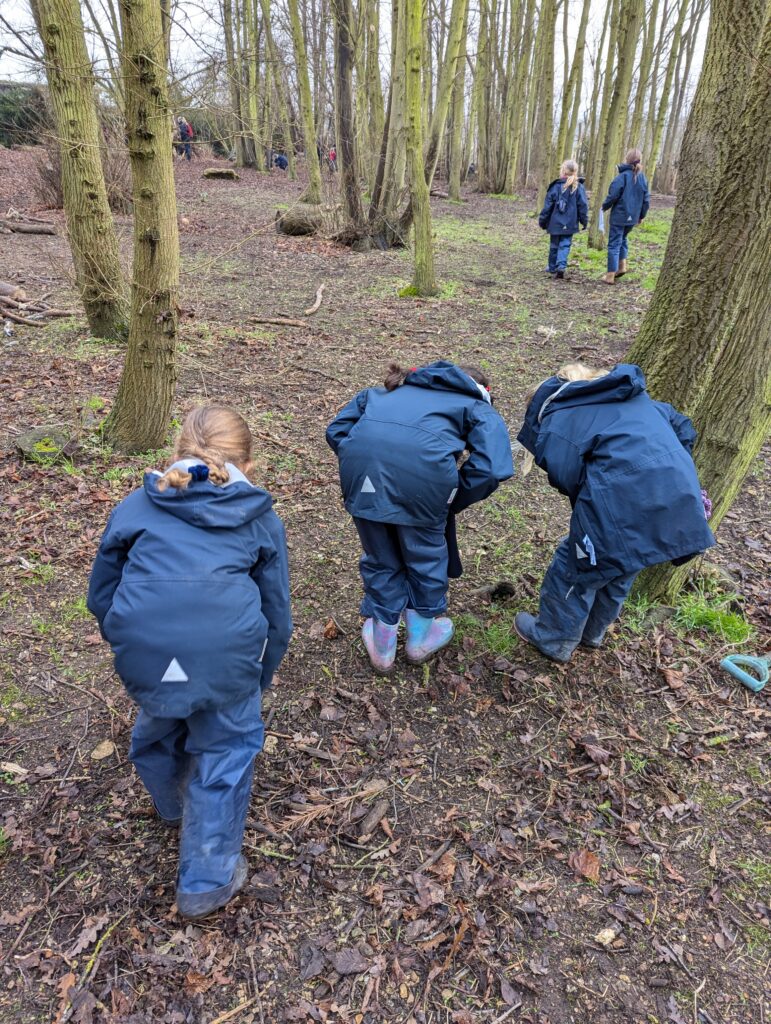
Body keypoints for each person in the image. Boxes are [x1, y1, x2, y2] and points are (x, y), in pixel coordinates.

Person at [87, 406, 292, 919]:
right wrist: (257, 677)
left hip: (147, 650)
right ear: (249, 459)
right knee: (226, 746)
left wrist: (129, 641)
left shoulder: (137, 505)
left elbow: (101, 594)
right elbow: (277, 612)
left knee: (160, 719)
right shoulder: (258, 516)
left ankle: (173, 804)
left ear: (178, 449)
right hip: (228, 655)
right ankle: (206, 879)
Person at [514, 363, 715, 663]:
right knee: (624, 564)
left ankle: (554, 638)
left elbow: (565, 475)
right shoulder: (635, 400)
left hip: (620, 505)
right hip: (675, 501)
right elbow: (683, 427)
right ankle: (592, 633)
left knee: (574, 569)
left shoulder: (560, 418)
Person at [326, 361, 514, 673]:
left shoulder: (380, 394)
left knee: (380, 556)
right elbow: (493, 467)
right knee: (426, 558)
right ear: (482, 390)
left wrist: (366, 463)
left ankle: (382, 645)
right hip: (424, 488)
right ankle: (419, 639)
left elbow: (337, 430)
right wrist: (453, 497)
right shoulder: (474, 405)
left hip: (362, 480)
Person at [601, 147, 650, 284]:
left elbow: (613, 195)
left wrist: (604, 206)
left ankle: (610, 275)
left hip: (619, 216)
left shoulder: (621, 177)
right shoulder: (643, 178)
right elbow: (646, 200)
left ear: (626, 159)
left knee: (614, 243)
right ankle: (622, 267)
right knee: (623, 239)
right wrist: (641, 215)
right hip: (633, 217)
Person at [538, 159, 588, 279]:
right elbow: (583, 206)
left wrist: (542, 220)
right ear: (574, 172)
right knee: (565, 244)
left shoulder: (555, 186)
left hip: (555, 223)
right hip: (570, 223)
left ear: (562, 171)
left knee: (554, 244)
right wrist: (584, 220)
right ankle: (561, 266)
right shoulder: (578, 187)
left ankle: (552, 267)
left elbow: (547, 207)